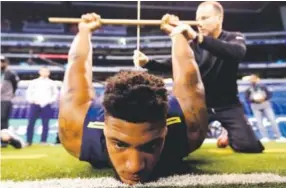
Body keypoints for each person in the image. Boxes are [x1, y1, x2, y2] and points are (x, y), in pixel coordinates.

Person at [58, 12, 208, 185]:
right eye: (120, 144)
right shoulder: (77, 133)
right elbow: (77, 62)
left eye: (151, 145)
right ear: (104, 126)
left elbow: (187, 67)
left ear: (166, 129)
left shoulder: (191, 128)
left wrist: (177, 34)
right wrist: (84, 31)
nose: (134, 167)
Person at [133, 1, 264, 153]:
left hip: (228, 105)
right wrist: (147, 62)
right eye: (197, 19)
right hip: (200, 107)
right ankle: (224, 131)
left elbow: (236, 52)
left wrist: (197, 37)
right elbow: (173, 64)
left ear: (219, 18)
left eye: (204, 18)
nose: (198, 23)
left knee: (249, 147)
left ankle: (228, 132)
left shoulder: (234, 37)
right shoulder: (194, 46)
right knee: (179, 145)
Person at [245, 74, 285, 141]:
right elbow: (247, 99)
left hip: (265, 105)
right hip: (255, 106)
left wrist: (264, 98)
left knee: (272, 120)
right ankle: (265, 137)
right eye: (251, 79)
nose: (253, 81)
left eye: (254, 79)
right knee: (259, 122)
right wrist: (253, 100)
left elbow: (269, 94)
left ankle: (279, 136)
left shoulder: (263, 87)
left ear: (257, 79)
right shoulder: (248, 90)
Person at [26, 66, 58, 145]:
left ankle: (43, 141)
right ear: (39, 72)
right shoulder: (34, 82)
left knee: (45, 124)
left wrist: (49, 101)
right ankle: (28, 141)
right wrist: (31, 100)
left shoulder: (52, 83)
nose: (45, 73)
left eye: (46, 71)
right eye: (43, 71)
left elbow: (55, 94)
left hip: (46, 105)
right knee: (31, 123)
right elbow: (28, 92)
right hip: (35, 104)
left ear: (49, 73)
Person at [1, 55, 19, 148]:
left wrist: (9, 95)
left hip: (5, 100)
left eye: (1, 61)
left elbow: (15, 86)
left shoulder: (10, 74)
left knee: (3, 119)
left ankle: (4, 141)